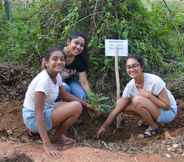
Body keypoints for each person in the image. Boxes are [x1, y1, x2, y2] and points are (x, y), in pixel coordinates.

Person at [22, 47, 89, 157]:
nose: (59, 62)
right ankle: (55, 139)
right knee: (76, 107)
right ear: (46, 62)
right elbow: (38, 114)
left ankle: (58, 136)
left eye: (62, 59)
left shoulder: (56, 75)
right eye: (55, 59)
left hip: (46, 109)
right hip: (33, 118)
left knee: (74, 105)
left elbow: (65, 95)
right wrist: (47, 145)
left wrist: (87, 104)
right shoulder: (43, 82)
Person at [97, 55, 177, 138]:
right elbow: (118, 108)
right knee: (120, 103)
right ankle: (151, 121)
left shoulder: (154, 81)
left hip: (168, 112)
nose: (132, 69)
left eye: (135, 66)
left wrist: (149, 96)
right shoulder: (130, 86)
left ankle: (154, 128)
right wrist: (104, 126)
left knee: (137, 100)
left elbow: (167, 106)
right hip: (155, 110)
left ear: (141, 67)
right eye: (129, 67)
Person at [60, 32, 91, 100]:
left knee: (82, 96)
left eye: (82, 45)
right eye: (76, 43)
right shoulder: (58, 52)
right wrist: (61, 76)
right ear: (68, 42)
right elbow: (46, 72)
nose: (78, 47)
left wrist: (93, 99)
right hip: (56, 80)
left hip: (70, 81)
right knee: (66, 89)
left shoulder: (80, 59)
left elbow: (84, 82)